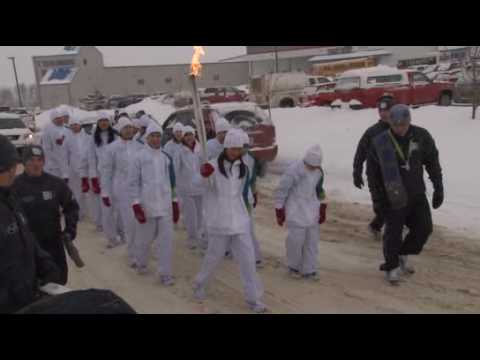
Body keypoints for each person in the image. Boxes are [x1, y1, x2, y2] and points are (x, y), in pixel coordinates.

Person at [366, 104, 444, 285]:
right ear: (390, 123)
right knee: (393, 233)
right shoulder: (381, 142)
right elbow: (373, 175)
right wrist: (377, 200)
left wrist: (438, 186)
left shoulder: (421, 136)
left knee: (424, 228)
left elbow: (432, 161)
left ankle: (402, 253)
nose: (400, 128)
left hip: (416, 193)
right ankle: (391, 266)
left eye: (403, 124)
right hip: (393, 196)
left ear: (409, 121)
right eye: (396, 125)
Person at [193, 129, 266, 313]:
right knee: (213, 258)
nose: (235, 152)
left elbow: (243, 191)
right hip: (220, 221)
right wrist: (203, 174)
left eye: (239, 149)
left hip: (239, 221)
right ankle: (200, 284)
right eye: (232, 148)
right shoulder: (212, 166)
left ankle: (254, 299)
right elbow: (199, 186)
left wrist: (250, 200)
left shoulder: (244, 167)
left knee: (248, 261)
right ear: (225, 147)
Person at [0, 135, 61, 314]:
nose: (13, 172)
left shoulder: (10, 198)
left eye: (14, 166)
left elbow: (25, 236)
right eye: (7, 168)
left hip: (25, 296)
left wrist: (43, 262)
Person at [13, 145, 80, 286]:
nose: (36, 164)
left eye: (39, 159)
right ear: (24, 162)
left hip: (53, 245)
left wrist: (69, 231)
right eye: (31, 160)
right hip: (28, 249)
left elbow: (72, 207)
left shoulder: (55, 183)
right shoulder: (14, 186)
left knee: (59, 282)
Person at [128, 123, 180, 285]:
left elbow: (171, 182)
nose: (156, 139)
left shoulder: (165, 158)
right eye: (153, 136)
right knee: (144, 240)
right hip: (147, 205)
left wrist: (174, 202)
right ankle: (141, 263)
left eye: (158, 136)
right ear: (147, 137)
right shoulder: (139, 157)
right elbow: (133, 183)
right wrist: (136, 204)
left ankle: (165, 273)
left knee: (166, 241)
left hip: (164, 206)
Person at [274, 145, 327, 280]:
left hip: (312, 207)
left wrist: (323, 206)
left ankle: (309, 269)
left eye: (315, 166)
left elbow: (319, 190)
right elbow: (282, 189)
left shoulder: (319, 172)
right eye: (311, 166)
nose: (313, 169)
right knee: (295, 241)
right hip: (295, 208)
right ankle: (293, 266)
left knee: (312, 241)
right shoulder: (294, 170)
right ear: (306, 162)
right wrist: (279, 207)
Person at [101, 117, 142, 266]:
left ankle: (141, 251)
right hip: (122, 191)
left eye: (131, 127)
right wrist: (105, 192)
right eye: (125, 128)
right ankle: (133, 255)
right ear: (120, 130)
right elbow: (106, 171)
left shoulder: (139, 146)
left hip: (139, 190)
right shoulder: (112, 148)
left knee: (141, 222)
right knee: (130, 223)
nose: (129, 130)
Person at [353, 97, 394, 240]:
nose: (383, 113)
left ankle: (385, 227)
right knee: (382, 206)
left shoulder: (400, 128)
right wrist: (356, 172)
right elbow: (360, 152)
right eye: (381, 110)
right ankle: (376, 227)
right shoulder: (372, 132)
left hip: (394, 176)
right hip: (375, 176)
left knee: (396, 205)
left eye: (387, 110)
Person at [173, 125, 206, 250]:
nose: (189, 137)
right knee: (190, 215)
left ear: (194, 135)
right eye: (186, 135)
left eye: (191, 134)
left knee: (200, 214)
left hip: (200, 186)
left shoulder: (200, 149)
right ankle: (192, 238)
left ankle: (200, 235)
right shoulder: (179, 151)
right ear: (183, 137)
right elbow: (175, 169)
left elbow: (204, 165)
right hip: (186, 188)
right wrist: (176, 186)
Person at [88, 111, 118, 243]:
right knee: (106, 207)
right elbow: (91, 159)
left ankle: (122, 234)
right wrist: (93, 177)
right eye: (101, 121)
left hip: (117, 176)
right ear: (98, 123)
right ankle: (110, 237)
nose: (104, 123)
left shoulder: (116, 136)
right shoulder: (93, 138)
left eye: (105, 120)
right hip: (102, 177)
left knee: (120, 207)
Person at [65, 116, 90, 221]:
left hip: (86, 168)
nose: (74, 127)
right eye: (72, 125)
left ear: (80, 125)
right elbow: (65, 155)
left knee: (88, 192)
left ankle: (88, 212)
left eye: (76, 124)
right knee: (75, 192)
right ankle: (78, 212)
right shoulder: (68, 139)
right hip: (73, 168)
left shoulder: (88, 138)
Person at [41, 107, 70, 182]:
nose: (59, 120)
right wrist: (57, 159)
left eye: (60, 118)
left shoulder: (66, 130)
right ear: (53, 120)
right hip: (53, 166)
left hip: (66, 165)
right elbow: (47, 149)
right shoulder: (48, 131)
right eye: (57, 118)